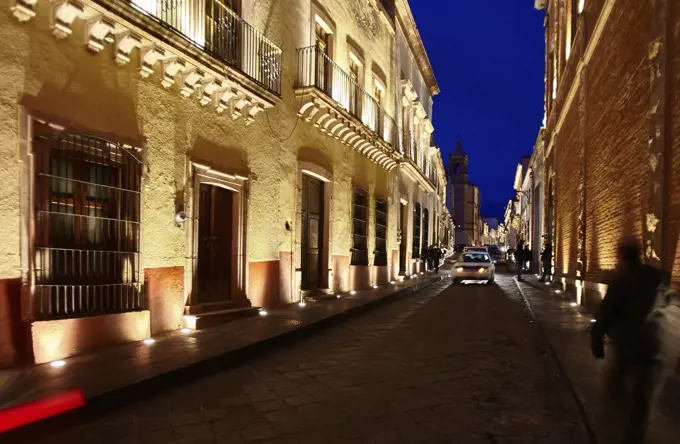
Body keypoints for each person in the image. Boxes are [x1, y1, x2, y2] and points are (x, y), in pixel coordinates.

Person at [590, 239, 668, 444]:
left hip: (627, 344)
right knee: (642, 392)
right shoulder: (654, 277)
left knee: (615, 384)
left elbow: (606, 312)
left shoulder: (621, 280)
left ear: (622, 256)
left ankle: (616, 427)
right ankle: (635, 433)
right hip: (650, 343)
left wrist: (597, 339)